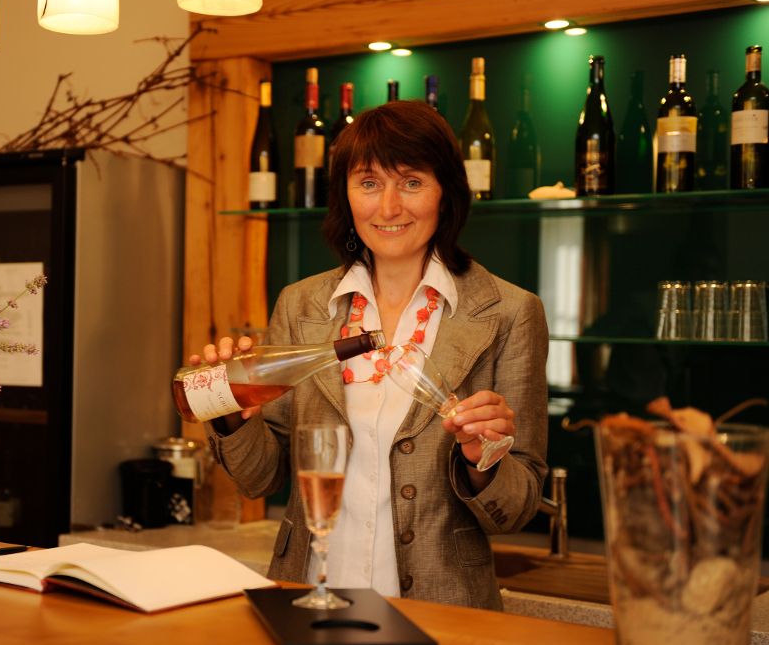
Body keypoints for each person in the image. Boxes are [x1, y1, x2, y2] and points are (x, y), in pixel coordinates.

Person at [191, 100, 548, 610]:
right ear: (346, 196)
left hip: (443, 609)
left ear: (446, 192)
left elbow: (517, 506)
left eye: (412, 182)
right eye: (369, 183)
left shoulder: (510, 312)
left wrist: (483, 459)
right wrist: (232, 417)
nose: (388, 208)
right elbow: (261, 478)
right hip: (307, 595)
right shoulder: (303, 304)